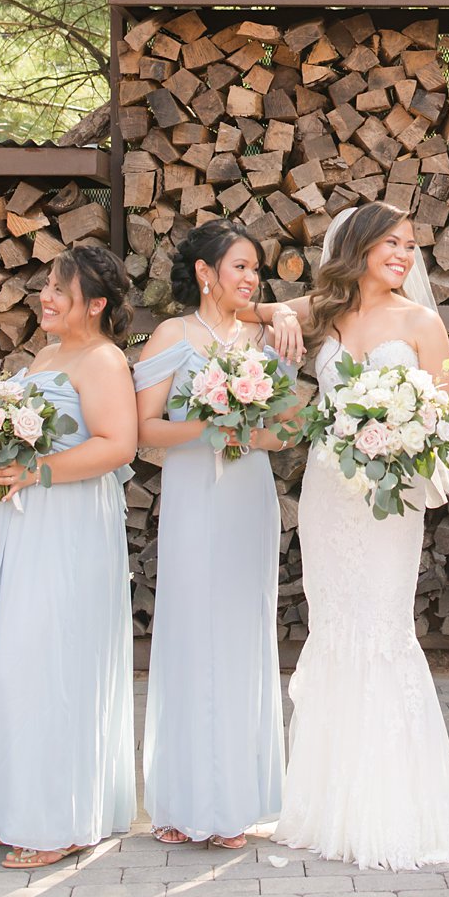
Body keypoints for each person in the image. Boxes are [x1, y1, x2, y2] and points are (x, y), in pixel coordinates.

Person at [0, 242, 137, 870]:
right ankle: (29, 801)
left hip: (67, 527)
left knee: (38, 661)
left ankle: (56, 820)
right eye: (46, 285)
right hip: (21, 530)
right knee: (14, 661)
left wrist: (38, 472)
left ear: (96, 303)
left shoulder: (103, 361)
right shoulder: (50, 353)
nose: (44, 296)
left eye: (59, 288)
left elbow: (119, 445)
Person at [274, 203, 449, 871]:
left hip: (388, 496)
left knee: (382, 626)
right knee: (331, 624)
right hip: (328, 488)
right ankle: (326, 805)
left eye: (411, 245)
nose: (405, 256)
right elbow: (254, 311)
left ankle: (388, 808)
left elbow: (446, 412)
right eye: (391, 243)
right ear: (356, 246)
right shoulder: (324, 309)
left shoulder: (422, 321)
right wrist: (272, 315)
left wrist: (406, 448)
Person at [134, 220, 300, 852]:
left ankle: (236, 799)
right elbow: (146, 426)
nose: (252, 276)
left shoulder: (265, 333)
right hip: (191, 493)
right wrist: (211, 427)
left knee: (239, 631)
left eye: (256, 267)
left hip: (246, 493)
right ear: (205, 273)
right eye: (239, 266)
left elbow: (286, 429)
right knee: (189, 630)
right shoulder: (172, 336)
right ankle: (180, 800)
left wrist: (247, 431)